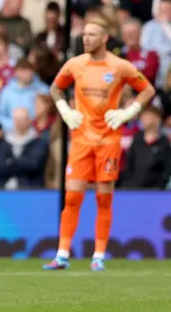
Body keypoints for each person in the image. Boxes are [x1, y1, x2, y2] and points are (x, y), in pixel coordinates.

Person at [44, 18, 155, 272]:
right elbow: (55, 88)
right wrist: (65, 111)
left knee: (103, 199)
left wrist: (128, 113)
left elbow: (147, 89)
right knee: (72, 198)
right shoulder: (75, 64)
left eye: (92, 35)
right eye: (84, 34)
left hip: (108, 141)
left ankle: (99, 256)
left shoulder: (120, 67)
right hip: (81, 140)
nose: (86, 39)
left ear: (105, 38)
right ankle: (62, 255)